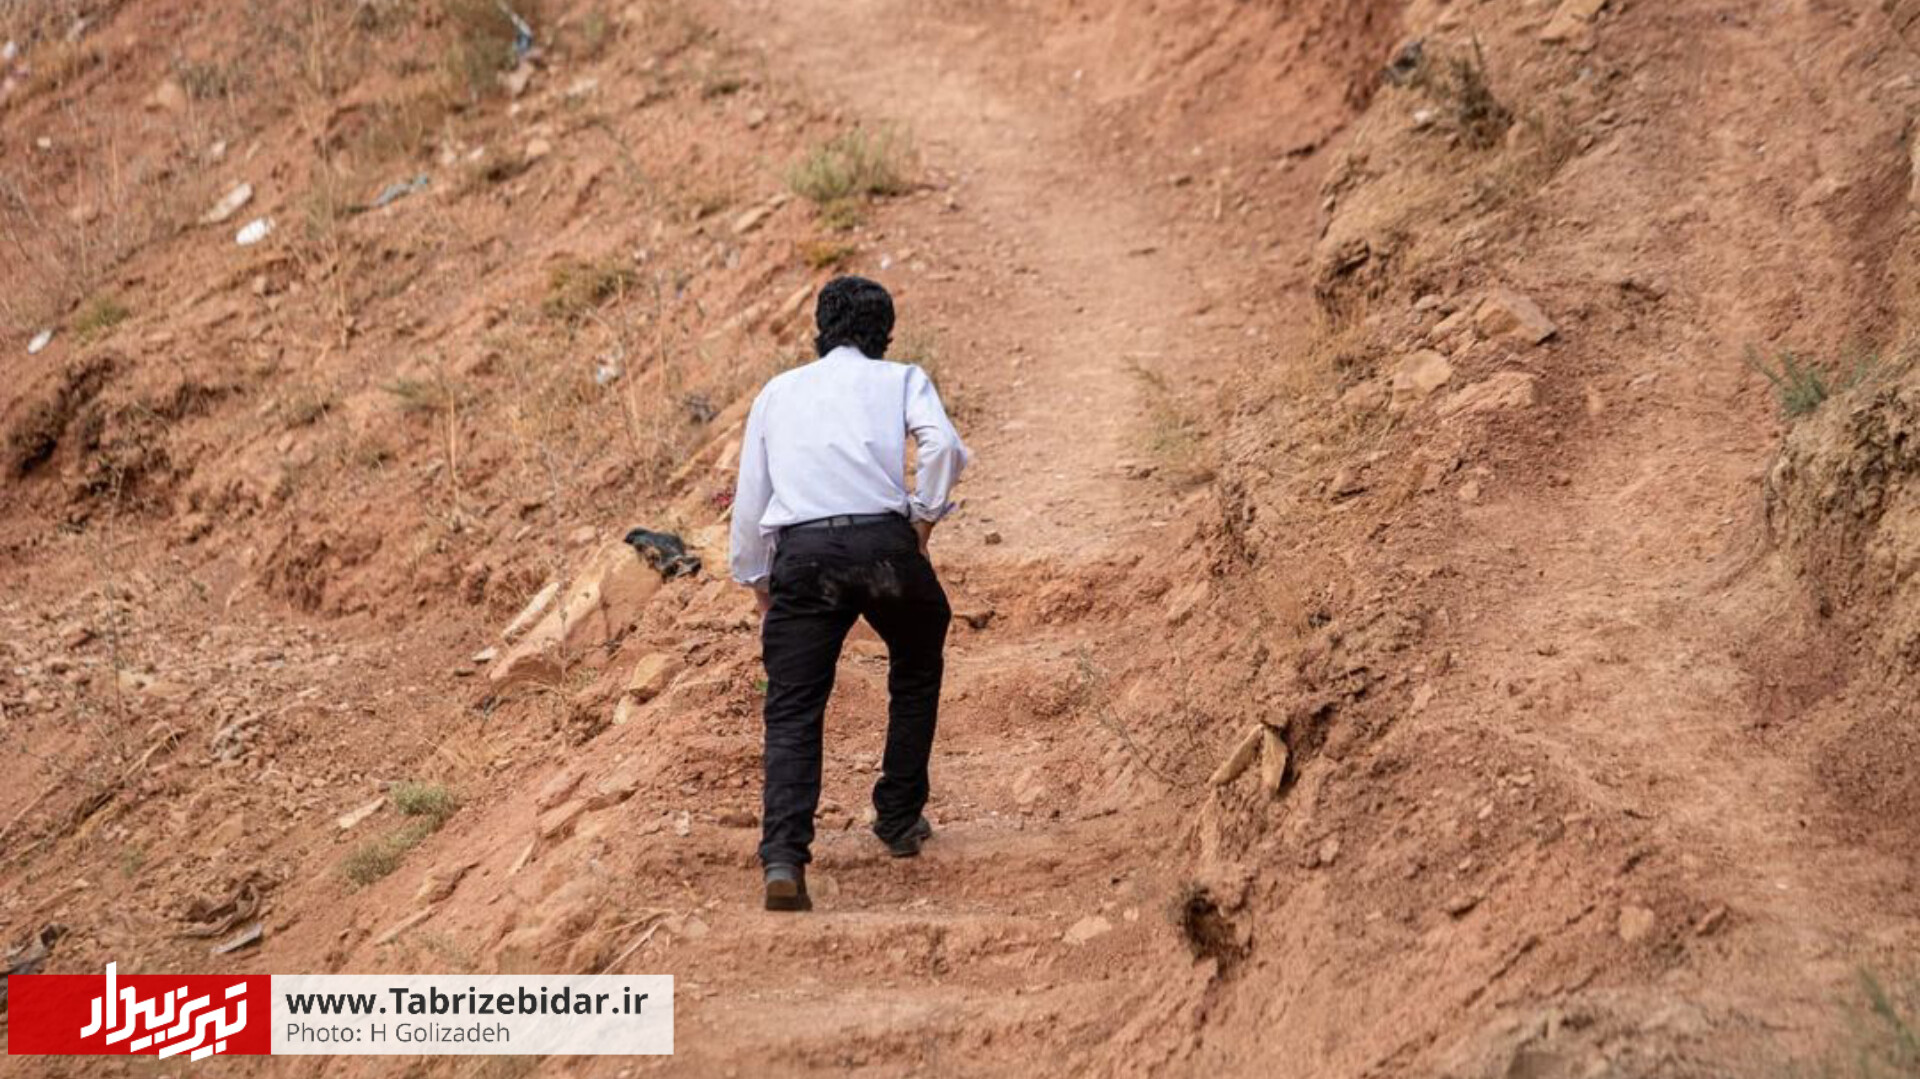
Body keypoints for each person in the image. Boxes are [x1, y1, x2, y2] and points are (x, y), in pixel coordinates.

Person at [729, 276, 971, 912]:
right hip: (885, 548)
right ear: (884, 334)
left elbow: (751, 499)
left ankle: (784, 858)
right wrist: (924, 520)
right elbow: (943, 445)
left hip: (805, 557)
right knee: (916, 660)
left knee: (792, 707)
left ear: (821, 328)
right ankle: (898, 816)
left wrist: (758, 584)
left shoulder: (778, 392)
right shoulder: (901, 378)